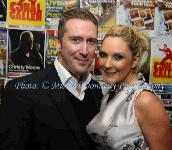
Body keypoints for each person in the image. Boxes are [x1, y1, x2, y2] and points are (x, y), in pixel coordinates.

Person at [0, 8, 103, 150]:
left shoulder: (96, 90)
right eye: (76, 40)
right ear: (59, 44)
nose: (84, 51)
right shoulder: (21, 92)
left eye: (91, 41)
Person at [86, 25, 172, 150]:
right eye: (103, 55)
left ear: (135, 60)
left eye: (118, 57)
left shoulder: (144, 100)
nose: (107, 64)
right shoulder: (111, 93)